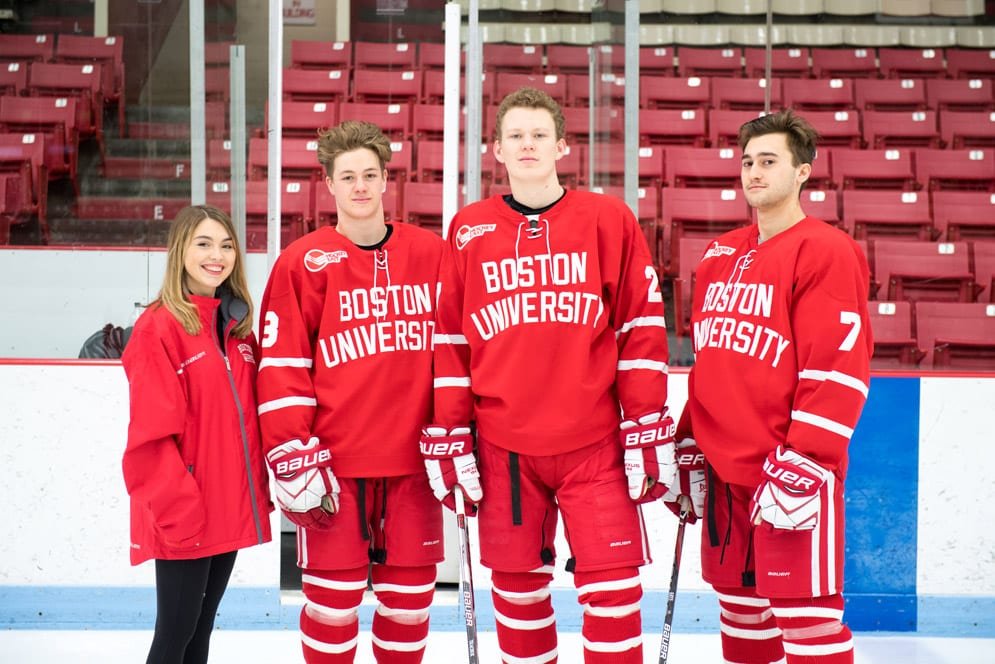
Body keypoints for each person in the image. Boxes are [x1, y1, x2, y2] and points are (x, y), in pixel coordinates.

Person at [423, 87, 677, 663]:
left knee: (613, 595)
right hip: (503, 449)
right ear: (497, 149)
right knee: (516, 595)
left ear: (562, 145)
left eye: (539, 134)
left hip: (595, 445)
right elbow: (451, 341)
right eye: (516, 135)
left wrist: (645, 425)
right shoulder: (468, 228)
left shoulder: (607, 218)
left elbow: (639, 329)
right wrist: (450, 431)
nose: (528, 144)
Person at [671, 109, 872, 664]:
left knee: (807, 620)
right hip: (722, 469)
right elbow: (711, 359)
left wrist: (807, 458)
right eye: (748, 162)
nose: (754, 172)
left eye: (769, 161)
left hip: (787, 470)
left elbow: (836, 367)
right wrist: (689, 439)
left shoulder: (826, 250)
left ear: (803, 171)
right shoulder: (718, 255)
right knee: (739, 613)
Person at [256, 120, 445, 663]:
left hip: (414, 467)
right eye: (348, 176)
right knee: (332, 609)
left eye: (369, 174)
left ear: (386, 180)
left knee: (409, 608)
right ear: (329, 185)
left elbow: (457, 353)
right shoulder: (302, 262)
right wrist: (291, 449)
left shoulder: (430, 254)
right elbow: (283, 363)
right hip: (333, 469)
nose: (360, 186)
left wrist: (460, 430)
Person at [121, 204, 273, 664]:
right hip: (184, 510)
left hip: (226, 507)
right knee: (175, 633)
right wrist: (178, 508)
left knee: (200, 630)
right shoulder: (159, 328)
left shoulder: (236, 328)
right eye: (204, 244)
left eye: (226, 245)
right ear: (180, 251)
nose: (217, 255)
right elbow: (149, 438)